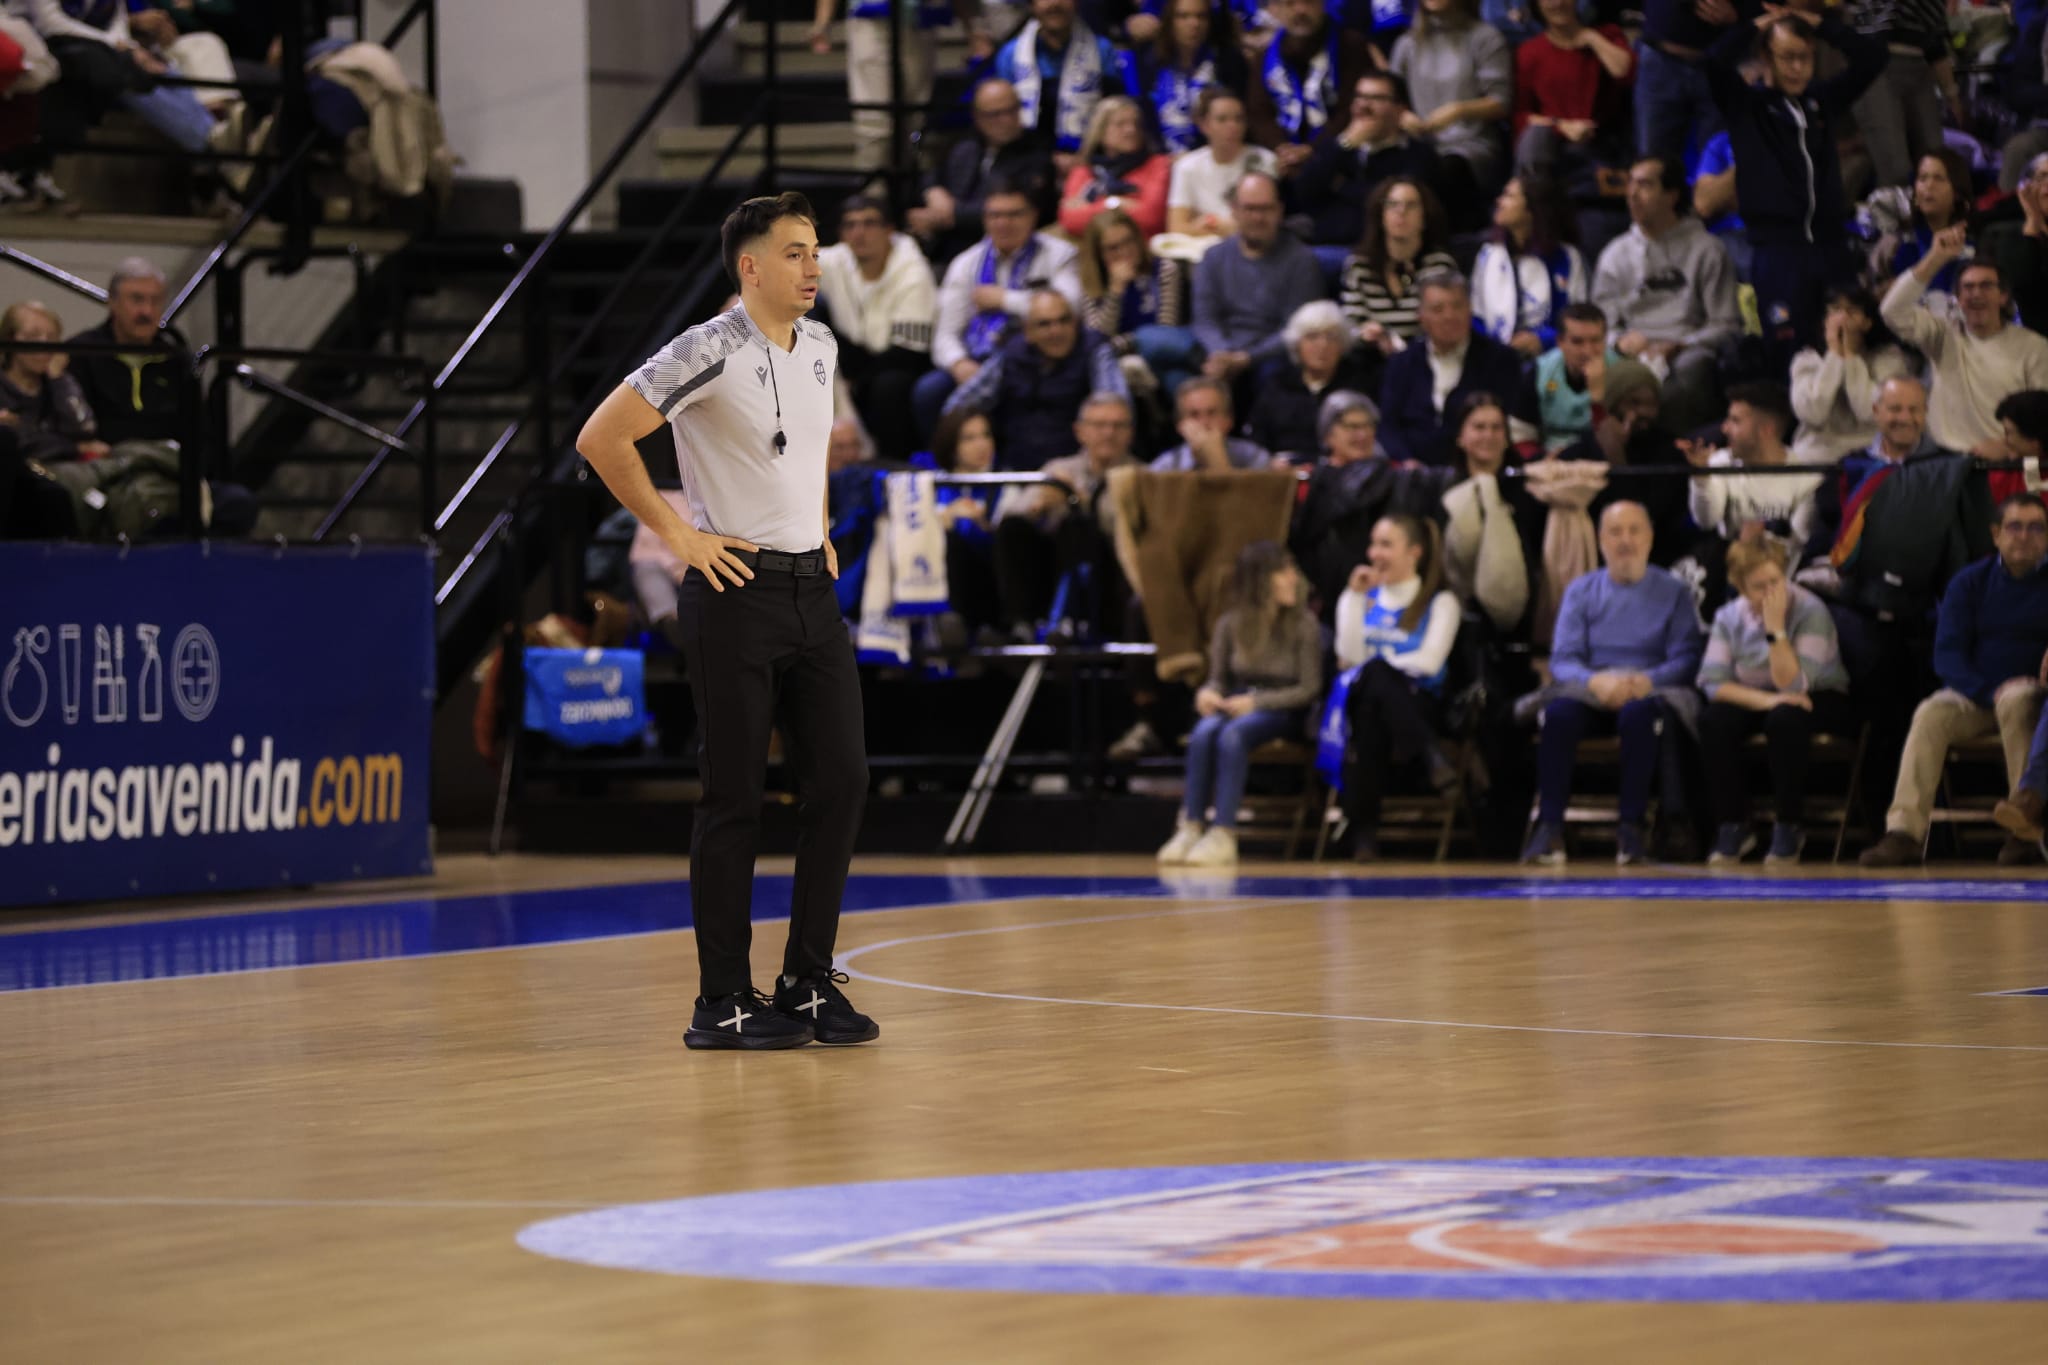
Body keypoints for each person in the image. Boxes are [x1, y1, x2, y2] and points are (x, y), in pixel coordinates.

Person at [572, 192, 875, 1051]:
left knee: (843, 780)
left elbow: (808, 448)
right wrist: (680, 538)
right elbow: (603, 437)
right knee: (734, 793)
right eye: (795, 253)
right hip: (733, 591)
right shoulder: (707, 346)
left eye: (815, 252)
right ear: (750, 267)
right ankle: (722, 998)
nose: (813, 267)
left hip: (809, 593)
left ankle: (807, 980)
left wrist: (817, 528)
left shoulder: (820, 344)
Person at [1860, 492, 2048, 868]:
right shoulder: (1969, 582)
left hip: (2033, 695)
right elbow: (1946, 655)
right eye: (2014, 527)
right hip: (1977, 693)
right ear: (1996, 534)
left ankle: (2023, 829)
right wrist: (1985, 690)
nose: (2024, 536)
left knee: (2017, 700)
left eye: (2035, 528)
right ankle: (1904, 832)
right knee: (1931, 712)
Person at [1521, 500, 1706, 867]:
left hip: (1648, 691)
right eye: (1615, 532)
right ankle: (1549, 828)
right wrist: (1596, 681)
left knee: (1639, 718)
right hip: (1592, 690)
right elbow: (1563, 659)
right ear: (1601, 540)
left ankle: (1632, 827)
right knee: (1558, 716)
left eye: (1634, 530)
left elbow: (1686, 659)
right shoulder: (1581, 591)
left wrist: (1646, 680)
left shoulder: (1674, 592)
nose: (1625, 541)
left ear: (1650, 538)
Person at [1704, 7, 1887, 374]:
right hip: (1778, 251)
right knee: (1788, 351)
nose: (1798, 68)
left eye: (1805, 58)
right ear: (1765, 59)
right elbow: (1713, 62)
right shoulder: (1747, 106)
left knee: (1847, 344)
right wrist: (1762, 21)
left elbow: (1873, 57)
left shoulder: (1820, 101)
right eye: (1787, 57)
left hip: (1831, 246)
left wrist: (1817, 21)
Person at [1157, 539, 1322, 866]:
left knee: (1234, 735)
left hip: (1284, 708)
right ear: (1260, 580)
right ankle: (1191, 824)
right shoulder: (1230, 623)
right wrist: (1208, 692)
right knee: (1205, 731)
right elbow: (1219, 677)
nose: (1293, 577)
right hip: (1238, 702)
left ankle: (1224, 831)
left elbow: (1309, 688)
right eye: (1283, 571)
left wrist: (1258, 702)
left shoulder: (1304, 625)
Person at [1696, 537, 1854, 865]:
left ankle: (1789, 825)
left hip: (1818, 695)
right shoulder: (1729, 617)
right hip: (1764, 698)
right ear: (1739, 587)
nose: (1771, 593)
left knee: (1784, 719)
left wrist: (1776, 630)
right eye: (1759, 586)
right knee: (1714, 719)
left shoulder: (1810, 609)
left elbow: (1794, 684)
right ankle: (1734, 825)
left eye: (1776, 581)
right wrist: (1766, 702)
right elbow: (1712, 683)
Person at [1331, 512, 1463, 859]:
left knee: (1372, 699)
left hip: (1420, 700)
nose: (1374, 553)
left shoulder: (1440, 602)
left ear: (1414, 552)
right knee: (1370, 701)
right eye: (1373, 544)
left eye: (1386, 545)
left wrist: (1380, 667)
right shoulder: (1359, 598)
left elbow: (1429, 662)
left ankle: (1364, 833)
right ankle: (1429, 755)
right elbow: (1349, 656)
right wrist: (1354, 599)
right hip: (1367, 704)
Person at [918, 181, 1083, 439]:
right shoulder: (966, 263)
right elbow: (945, 334)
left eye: (1014, 214)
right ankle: (945, 468)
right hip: (978, 358)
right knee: (929, 391)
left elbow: (1070, 306)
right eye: (995, 215)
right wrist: (959, 363)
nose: (1003, 223)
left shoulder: (1059, 255)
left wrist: (1005, 299)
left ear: (1032, 216)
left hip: (1038, 358)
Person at [1591, 155, 1742, 437]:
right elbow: (1603, 326)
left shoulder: (1707, 250)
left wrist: (1680, 344)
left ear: (1671, 195)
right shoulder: (1615, 254)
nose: (1633, 194)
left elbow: (1726, 324)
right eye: (1630, 184)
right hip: (1631, 350)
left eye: (1645, 185)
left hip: (1686, 348)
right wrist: (1620, 343)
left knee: (1692, 368)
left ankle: (1670, 453)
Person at [1881, 230, 2048, 459]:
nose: (1975, 293)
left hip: (2002, 465)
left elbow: (2042, 421)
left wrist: (2008, 448)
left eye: (1986, 286)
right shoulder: (1942, 335)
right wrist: (1935, 258)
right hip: (1942, 462)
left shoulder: (2034, 348)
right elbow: (1891, 310)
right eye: (1968, 288)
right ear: (1958, 299)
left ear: (2003, 296)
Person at [991, 391, 1143, 636]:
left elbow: (1134, 533)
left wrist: (1077, 502)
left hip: (1112, 574)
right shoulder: (1059, 469)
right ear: (1079, 431)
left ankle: (1070, 622)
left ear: (1130, 433)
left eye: (1117, 425)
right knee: (1015, 529)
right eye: (1099, 425)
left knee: (1079, 525)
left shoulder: (1143, 476)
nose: (1108, 433)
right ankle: (1021, 626)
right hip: (1051, 568)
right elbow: (1010, 516)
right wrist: (1039, 504)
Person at [941, 288, 1129, 471]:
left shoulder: (1094, 350)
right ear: (1028, 332)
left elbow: (1117, 408)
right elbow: (957, 407)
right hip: (1014, 469)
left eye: (1064, 321)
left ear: (1076, 323)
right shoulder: (1010, 354)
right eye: (1044, 324)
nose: (1056, 331)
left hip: (1078, 471)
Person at [816, 194, 937, 462]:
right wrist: (741, 299)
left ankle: (892, 464)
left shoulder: (913, 271)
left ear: (889, 231)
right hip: (856, 357)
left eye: (869, 224)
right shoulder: (836, 260)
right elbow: (784, 266)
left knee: (888, 386)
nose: (860, 233)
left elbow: (908, 353)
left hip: (903, 363)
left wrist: (857, 378)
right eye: (851, 225)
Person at [1187, 170, 1329, 397]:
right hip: (1222, 352)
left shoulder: (1302, 261)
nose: (1257, 217)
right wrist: (1222, 354)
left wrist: (1247, 359)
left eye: (1265, 209)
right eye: (1250, 209)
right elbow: (1205, 319)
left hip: (1271, 357)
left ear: (1279, 211)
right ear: (1234, 211)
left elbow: (1296, 330)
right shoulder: (1212, 257)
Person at [1376, 268, 1526, 466]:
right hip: (1412, 475)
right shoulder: (1401, 363)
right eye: (1438, 309)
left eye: (1457, 306)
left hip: (1479, 467)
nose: (1449, 316)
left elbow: (1506, 424)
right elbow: (1388, 425)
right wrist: (1406, 461)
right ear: (1421, 316)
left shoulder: (1501, 360)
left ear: (1470, 309)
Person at [1387, 0, 1513, 229]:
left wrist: (1458, 110)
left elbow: (1500, 102)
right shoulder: (1407, 43)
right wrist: (1403, 116)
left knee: (1443, 170)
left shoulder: (1485, 38)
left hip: (1471, 145)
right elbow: (1390, 96)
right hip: (1419, 142)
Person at [1289, 70, 1442, 250]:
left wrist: (1342, 187)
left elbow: (1386, 206)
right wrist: (1344, 146)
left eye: (1376, 98)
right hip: (1327, 245)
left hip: (1384, 252)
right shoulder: (1338, 146)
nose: (1363, 105)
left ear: (1400, 109)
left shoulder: (1417, 154)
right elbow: (1304, 193)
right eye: (1359, 96)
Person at [911, 79, 1058, 261]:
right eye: (995, 114)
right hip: (948, 246)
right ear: (978, 117)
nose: (1006, 120)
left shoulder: (1037, 154)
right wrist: (932, 190)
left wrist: (949, 216)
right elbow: (934, 174)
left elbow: (1024, 206)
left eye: (1011, 110)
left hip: (1006, 250)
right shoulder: (966, 146)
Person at [1687, 382, 1823, 570]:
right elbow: (1706, 521)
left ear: (1766, 430)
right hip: (1728, 566)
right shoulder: (1721, 462)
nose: (1724, 429)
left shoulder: (1807, 478)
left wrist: (1759, 539)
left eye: (1735, 421)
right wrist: (1702, 477)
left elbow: (1798, 544)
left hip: (1778, 575)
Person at [64, 257, 189, 447]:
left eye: (155, 301)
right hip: (105, 465)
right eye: (137, 299)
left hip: (168, 464)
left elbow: (200, 429)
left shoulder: (176, 357)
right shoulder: (82, 352)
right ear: (112, 302)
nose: (147, 311)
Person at [1442, 390, 1538, 637]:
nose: (1488, 435)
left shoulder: (1528, 491)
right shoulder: (1443, 492)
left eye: (1496, 428)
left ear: (1507, 438)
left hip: (1516, 611)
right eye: (1479, 427)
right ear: (1460, 437)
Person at [1077, 208, 1196, 401]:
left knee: (1178, 379)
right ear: (1099, 254)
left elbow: (1165, 330)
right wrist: (1116, 292)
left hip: (1161, 353)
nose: (1124, 252)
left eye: (1128, 241)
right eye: (1113, 248)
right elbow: (1097, 339)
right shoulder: (1092, 283)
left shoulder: (1164, 270)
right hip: (1116, 361)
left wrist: (1129, 341)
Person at [1512, 0, 1634, 185]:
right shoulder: (1530, 52)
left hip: (1600, 143)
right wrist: (1561, 127)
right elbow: (1522, 114)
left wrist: (1592, 39)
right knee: (1536, 137)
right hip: (1551, 144)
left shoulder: (1607, 34)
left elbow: (1625, 72)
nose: (1557, 3)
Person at [1244, 0, 1377, 170]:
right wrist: (1282, 148)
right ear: (1276, 9)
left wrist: (1313, 149)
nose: (1300, 10)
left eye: (1309, 2)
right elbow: (1258, 114)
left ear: (1323, 4)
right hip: (1282, 160)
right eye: (1290, 4)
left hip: (1341, 158)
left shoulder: (1351, 47)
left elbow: (1352, 108)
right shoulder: (1264, 58)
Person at [1842, 0, 1960, 191]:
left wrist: (1952, 96)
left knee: (1935, 162)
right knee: (1895, 170)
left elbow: (1936, 43)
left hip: (1919, 65)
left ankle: (1933, 219)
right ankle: (1891, 218)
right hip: (1876, 64)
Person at [1787, 286, 1913, 465]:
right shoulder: (1806, 361)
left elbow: (1871, 412)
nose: (1842, 319)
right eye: (1835, 310)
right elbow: (1813, 413)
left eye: (1851, 311)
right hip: (1817, 455)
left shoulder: (1888, 359)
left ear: (1867, 322)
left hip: (1871, 454)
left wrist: (1851, 358)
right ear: (1825, 321)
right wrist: (1835, 356)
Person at [1243, 300, 1379, 462]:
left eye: (1331, 337)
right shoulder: (1277, 385)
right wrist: (1270, 463)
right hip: (1285, 473)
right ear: (1297, 345)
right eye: (1312, 337)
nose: (1323, 345)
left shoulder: (1359, 386)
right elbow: (1257, 438)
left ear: (1342, 345)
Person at [1470, 175, 1588, 359]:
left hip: (1553, 358)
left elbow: (1579, 316)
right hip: (1494, 359)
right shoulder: (1488, 255)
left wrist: (1542, 340)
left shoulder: (1567, 257)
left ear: (1531, 210)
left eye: (1509, 196)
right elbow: (1476, 317)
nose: (1499, 201)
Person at [1339, 176, 1459, 354]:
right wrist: (1367, 334)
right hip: (1372, 360)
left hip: (1426, 360)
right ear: (1381, 215)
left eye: (1410, 205)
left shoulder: (1439, 266)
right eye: (1392, 204)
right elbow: (1351, 326)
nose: (1401, 212)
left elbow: (1447, 326)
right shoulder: (1359, 266)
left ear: (1424, 217)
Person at [991, 0, 1120, 162]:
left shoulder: (1101, 51)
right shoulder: (1011, 55)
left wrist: (1082, 160)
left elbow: (1113, 115)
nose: (1054, 4)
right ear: (1032, 5)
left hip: (1090, 159)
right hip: (1026, 162)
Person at [1119, 0, 1249, 154]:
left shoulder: (1229, 61)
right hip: (1160, 157)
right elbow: (1143, 113)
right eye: (1183, 16)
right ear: (1169, 21)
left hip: (1213, 157)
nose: (1194, 24)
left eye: (1201, 16)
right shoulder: (1149, 61)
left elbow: (1236, 115)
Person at [0, 300, 104, 464]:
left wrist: (59, 380)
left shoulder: (59, 383)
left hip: (59, 470)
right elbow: (21, 444)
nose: (44, 345)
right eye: (33, 336)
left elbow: (85, 428)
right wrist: (75, 447)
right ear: (9, 338)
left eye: (51, 337)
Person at [1164, 87, 1275, 239]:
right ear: (1204, 125)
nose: (1233, 126)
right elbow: (1176, 227)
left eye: (1238, 119)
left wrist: (1209, 224)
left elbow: (1266, 222)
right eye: (1222, 119)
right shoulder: (1186, 166)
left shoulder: (1265, 160)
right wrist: (1223, 227)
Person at [1058, 95, 1174, 238]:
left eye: (1136, 124)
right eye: (1120, 124)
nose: (1130, 130)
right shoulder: (1084, 170)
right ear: (1100, 132)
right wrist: (1114, 203)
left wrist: (1092, 207)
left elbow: (1150, 218)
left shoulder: (1158, 165)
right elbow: (1070, 220)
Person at [1517, 301, 1621, 455]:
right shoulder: (1539, 372)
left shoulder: (1621, 373)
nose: (1587, 351)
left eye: (1595, 341)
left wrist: (1598, 400)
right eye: (1577, 342)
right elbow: (1520, 435)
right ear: (1560, 342)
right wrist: (1541, 460)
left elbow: (1619, 445)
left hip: (1603, 461)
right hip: (1550, 463)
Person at [1870, 149, 1978, 297]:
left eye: (1939, 178)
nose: (1929, 186)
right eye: (1922, 178)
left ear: (1957, 193)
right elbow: (1868, 296)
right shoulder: (1894, 243)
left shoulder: (1973, 247)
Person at [1149, 375, 1270, 470]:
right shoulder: (1164, 467)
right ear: (1180, 425)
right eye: (1194, 415)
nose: (1204, 423)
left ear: (1229, 420)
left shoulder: (1255, 458)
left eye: (1212, 413)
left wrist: (1217, 460)